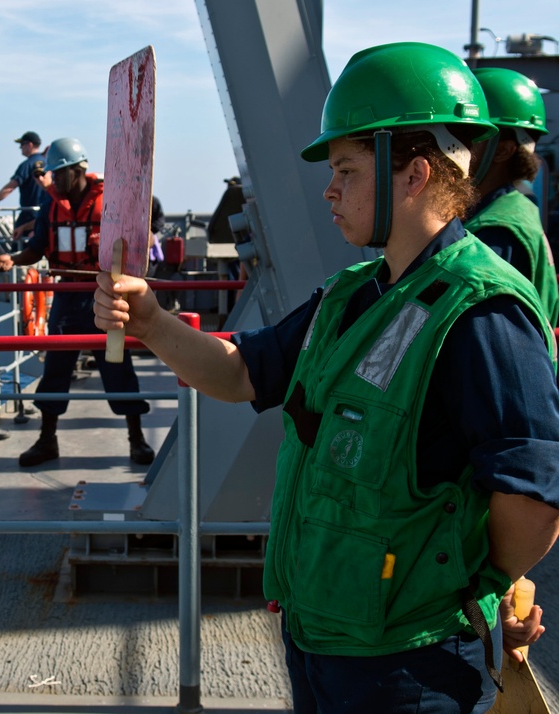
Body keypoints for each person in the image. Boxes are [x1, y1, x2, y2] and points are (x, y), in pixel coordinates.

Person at [94, 42, 559, 713]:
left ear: (414, 174)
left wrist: (469, 588)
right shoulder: (350, 297)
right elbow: (240, 375)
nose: (329, 189)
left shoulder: (481, 312)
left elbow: (534, 500)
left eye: (346, 168)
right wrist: (152, 320)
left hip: (410, 663)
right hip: (321, 642)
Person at [0, 137, 155, 468]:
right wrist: (13, 258)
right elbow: (36, 249)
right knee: (55, 371)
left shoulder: (110, 203)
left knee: (118, 368)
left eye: (58, 174)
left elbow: (138, 243)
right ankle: (47, 440)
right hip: (67, 298)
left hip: (105, 294)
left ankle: (137, 440)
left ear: (76, 171)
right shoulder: (52, 206)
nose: (52, 180)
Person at [466, 67, 559, 326]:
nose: (452, 150)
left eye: (468, 138)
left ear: (503, 150)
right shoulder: (514, 205)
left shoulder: (495, 232)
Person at [0, 131, 47, 241]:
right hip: (45, 214)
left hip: (29, 215)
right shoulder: (48, 163)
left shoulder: (27, 165)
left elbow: (10, 187)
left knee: (18, 249)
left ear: (30, 145)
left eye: (22, 144)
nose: (20, 147)